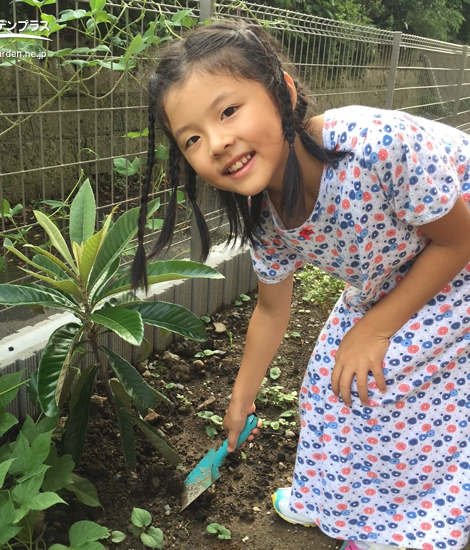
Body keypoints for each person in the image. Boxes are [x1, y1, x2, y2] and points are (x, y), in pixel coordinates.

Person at [131, 19, 470, 550]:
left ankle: (410, 526)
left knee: (388, 380)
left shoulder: (373, 147)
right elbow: (270, 311)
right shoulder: (264, 213)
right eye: (192, 139)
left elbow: (457, 241)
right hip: (394, 270)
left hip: (457, 256)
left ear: (283, 92)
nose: (217, 142)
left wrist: (378, 330)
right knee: (323, 384)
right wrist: (240, 401)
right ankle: (329, 498)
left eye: (228, 111)